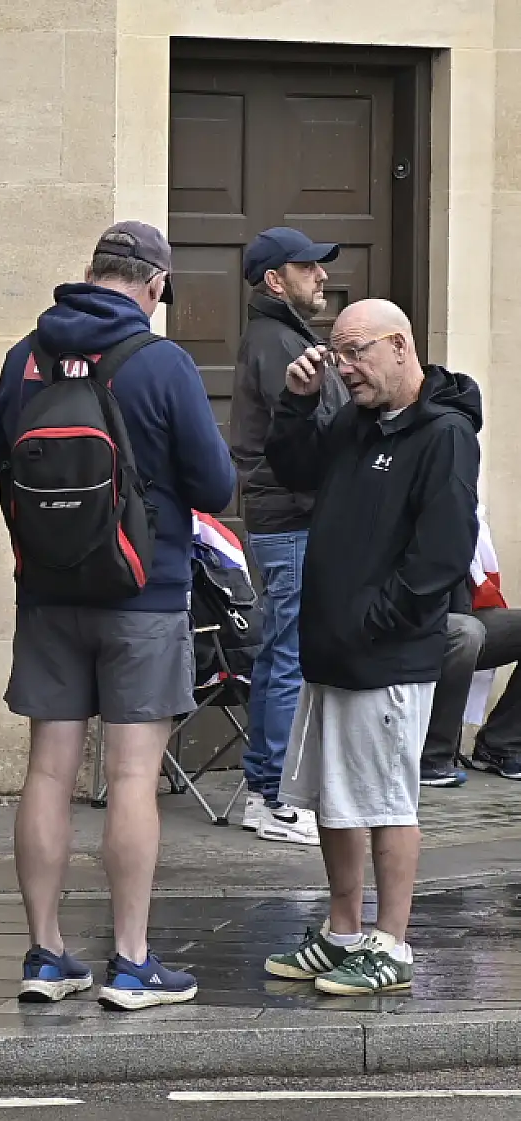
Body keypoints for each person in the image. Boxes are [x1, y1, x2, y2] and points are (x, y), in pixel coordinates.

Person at [0, 221, 235, 1011]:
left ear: (89, 271)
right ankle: (130, 961)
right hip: (144, 596)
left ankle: (46, 954)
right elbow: (215, 485)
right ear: (155, 285)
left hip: (47, 594)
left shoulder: (26, 355)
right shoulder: (162, 361)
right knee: (131, 775)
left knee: (47, 771)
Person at [261, 300, 479, 996]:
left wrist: (372, 621)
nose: (345, 368)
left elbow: (442, 553)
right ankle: (342, 931)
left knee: (385, 801)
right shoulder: (358, 422)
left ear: (401, 346)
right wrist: (298, 402)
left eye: (356, 353)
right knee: (335, 797)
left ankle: (391, 943)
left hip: (385, 654)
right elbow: (294, 469)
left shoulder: (444, 433)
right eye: (339, 354)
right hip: (331, 649)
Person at [228, 227, 343, 846]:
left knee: (282, 653)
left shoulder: (284, 335)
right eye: (307, 267)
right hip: (290, 519)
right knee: (289, 657)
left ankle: (268, 790)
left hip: (288, 519)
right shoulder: (277, 341)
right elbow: (307, 433)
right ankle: (275, 796)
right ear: (275, 280)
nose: (322, 276)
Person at [419, 507, 521, 783]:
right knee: (465, 633)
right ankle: (432, 757)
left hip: (457, 610)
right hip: (409, 618)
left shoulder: (464, 505)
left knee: (468, 628)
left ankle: (501, 745)